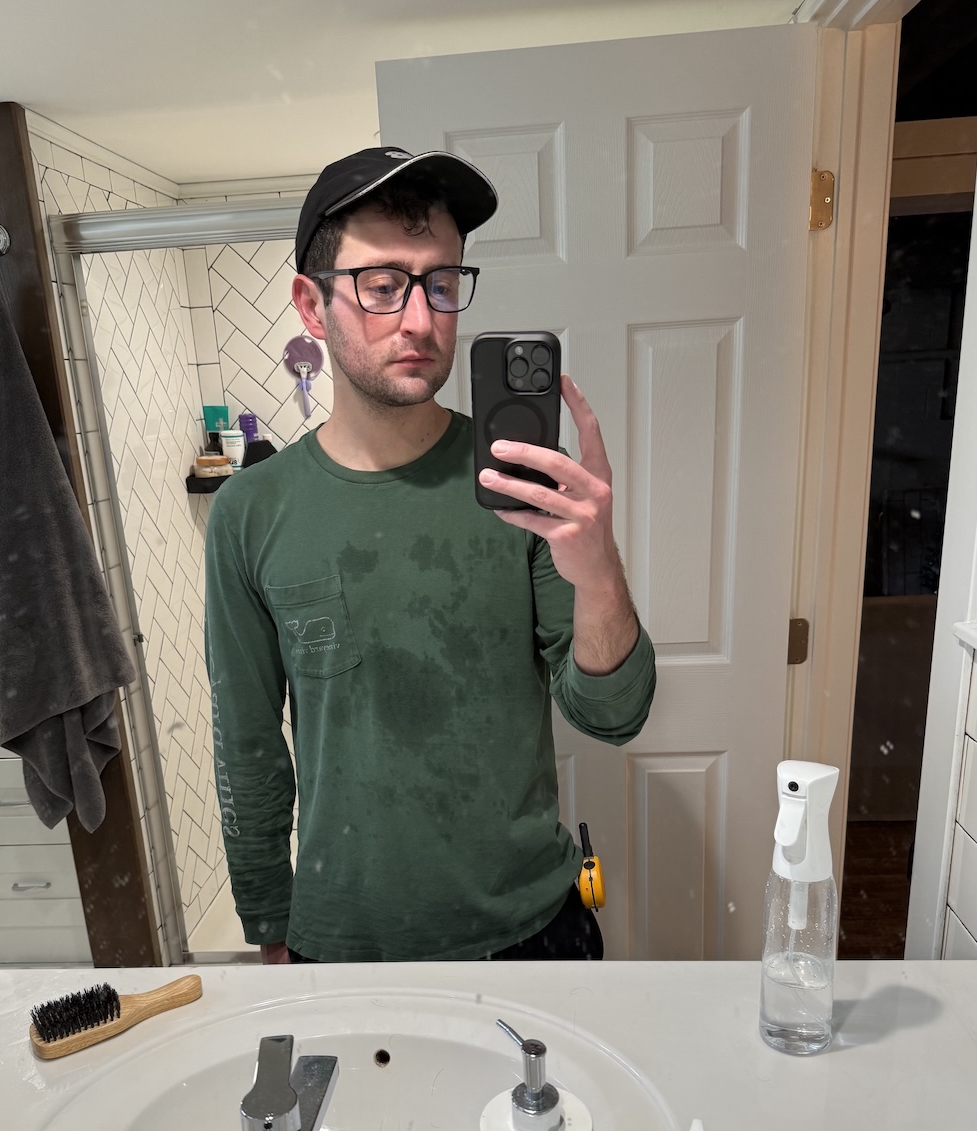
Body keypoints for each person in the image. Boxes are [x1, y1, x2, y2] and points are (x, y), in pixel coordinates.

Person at [204, 147, 656, 964]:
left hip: (531, 929)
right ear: (311, 304)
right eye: (382, 285)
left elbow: (612, 715)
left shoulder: (520, 485)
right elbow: (247, 740)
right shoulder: (250, 511)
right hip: (342, 939)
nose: (420, 319)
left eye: (440, 283)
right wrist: (267, 921)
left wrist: (598, 570)